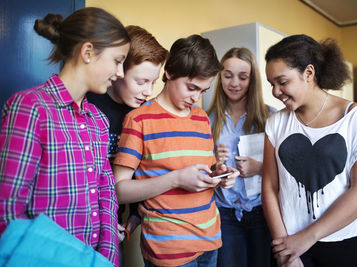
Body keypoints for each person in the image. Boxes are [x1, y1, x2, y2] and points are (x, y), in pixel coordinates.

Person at [0, 7, 130, 266]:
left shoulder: (98, 120)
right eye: (117, 60)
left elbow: (106, 194)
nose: (121, 73)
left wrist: (106, 258)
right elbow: (8, 209)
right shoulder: (30, 108)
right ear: (88, 52)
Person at [112, 34, 239, 267]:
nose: (196, 97)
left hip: (210, 240)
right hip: (168, 249)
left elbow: (204, 168)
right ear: (169, 72)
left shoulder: (201, 118)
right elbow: (119, 191)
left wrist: (219, 174)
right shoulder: (138, 119)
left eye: (203, 90)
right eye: (191, 87)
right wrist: (177, 179)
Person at [262, 34, 357, 267]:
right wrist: (285, 249)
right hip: (289, 245)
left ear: (308, 73)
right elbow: (270, 186)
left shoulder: (353, 116)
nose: (276, 92)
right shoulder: (276, 122)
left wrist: (306, 238)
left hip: (347, 242)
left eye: (282, 82)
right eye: (272, 84)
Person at [87, 24, 168, 240]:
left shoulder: (142, 114)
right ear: (119, 69)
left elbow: (142, 171)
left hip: (115, 223)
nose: (148, 92)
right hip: (82, 221)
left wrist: (133, 218)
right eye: (141, 82)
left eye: (153, 82)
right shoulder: (87, 104)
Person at [207, 47, 275, 267]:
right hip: (224, 213)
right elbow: (197, 168)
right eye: (227, 76)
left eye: (242, 77)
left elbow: (288, 167)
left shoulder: (271, 117)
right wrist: (212, 162)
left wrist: (260, 168)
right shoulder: (207, 120)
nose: (234, 83)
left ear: (252, 80)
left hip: (261, 212)